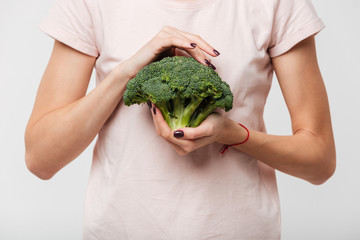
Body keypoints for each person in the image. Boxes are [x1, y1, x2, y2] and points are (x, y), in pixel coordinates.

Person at [25, 0, 336, 239]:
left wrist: (232, 133)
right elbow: (41, 158)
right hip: (120, 231)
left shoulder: (276, 5)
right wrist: (128, 70)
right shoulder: (91, 5)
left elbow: (319, 160)